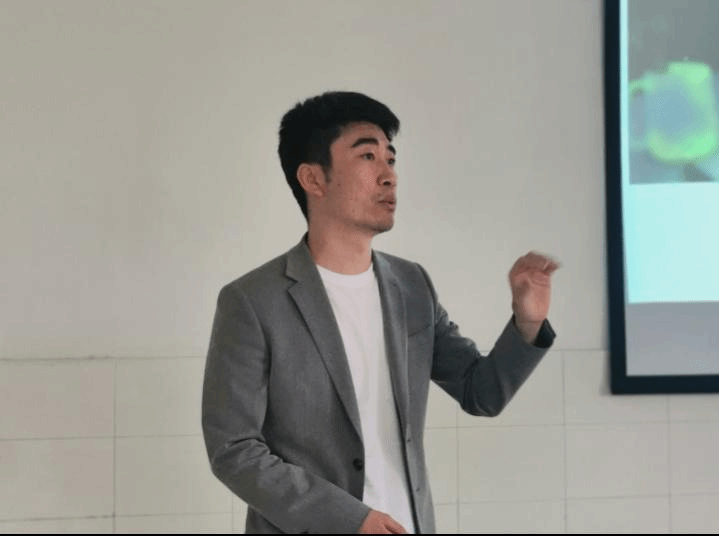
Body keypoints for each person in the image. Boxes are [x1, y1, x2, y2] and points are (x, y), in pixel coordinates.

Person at [202, 91, 559, 534]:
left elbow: (480, 392)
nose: (389, 175)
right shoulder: (253, 301)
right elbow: (234, 450)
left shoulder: (412, 286)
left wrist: (527, 323)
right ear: (313, 179)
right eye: (368, 156)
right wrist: (349, 519)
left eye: (391, 159)